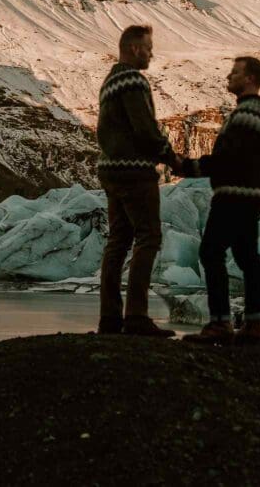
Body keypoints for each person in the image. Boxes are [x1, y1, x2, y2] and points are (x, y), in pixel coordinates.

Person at [178, 57, 260, 346]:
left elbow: (227, 159)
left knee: (211, 252)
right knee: (248, 258)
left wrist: (189, 168)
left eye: (234, 73)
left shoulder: (245, 115)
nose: (228, 78)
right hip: (253, 194)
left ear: (249, 79)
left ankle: (220, 322)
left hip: (235, 194)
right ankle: (254, 325)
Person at [95, 24, 181, 337]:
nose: (151, 53)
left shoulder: (109, 81)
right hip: (134, 171)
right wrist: (172, 158)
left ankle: (109, 319)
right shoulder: (132, 79)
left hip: (111, 170)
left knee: (117, 241)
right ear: (134, 49)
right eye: (148, 48)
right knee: (149, 237)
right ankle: (136, 316)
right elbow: (144, 129)